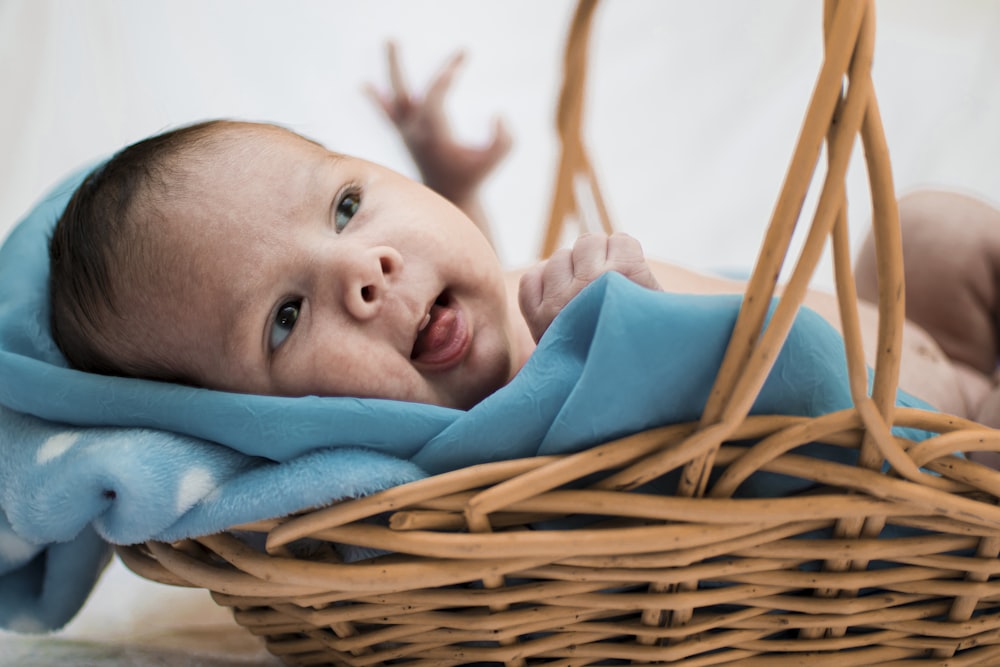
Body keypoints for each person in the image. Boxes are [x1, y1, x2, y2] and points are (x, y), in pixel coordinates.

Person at [47, 45, 1000, 434]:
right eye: (285, 317)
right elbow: (677, 435)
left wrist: (450, 183)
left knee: (928, 227)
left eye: (345, 205)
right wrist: (633, 336)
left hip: (905, 321)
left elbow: (478, 295)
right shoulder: (486, 440)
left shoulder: (467, 317)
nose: (366, 274)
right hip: (929, 442)